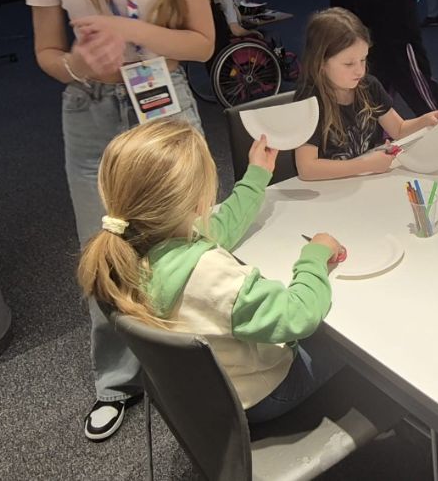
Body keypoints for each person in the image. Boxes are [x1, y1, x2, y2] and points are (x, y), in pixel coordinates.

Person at [22, 0, 215, 441]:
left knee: (189, 231)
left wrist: (125, 28)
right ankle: (116, 380)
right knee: (103, 249)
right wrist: (79, 65)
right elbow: (47, 53)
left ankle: (210, 358)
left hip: (163, 97)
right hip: (90, 110)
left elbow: (203, 43)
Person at [77, 119, 348, 423]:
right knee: (349, 344)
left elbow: (221, 226)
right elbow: (297, 315)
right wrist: (314, 256)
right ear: (199, 202)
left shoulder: (133, 244)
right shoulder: (209, 274)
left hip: (204, 395)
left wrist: (258, 174)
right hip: (262, 394)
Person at [294, 8, 438, 181]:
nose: (360, 71)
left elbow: (398, 129)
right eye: (349, 64)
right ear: (321, 62)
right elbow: (307, 168)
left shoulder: (368, 86)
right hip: (328, 188)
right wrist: (366, 165)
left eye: (363, 59)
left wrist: (425, 121)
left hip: (364, 181)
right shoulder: (309, 101)